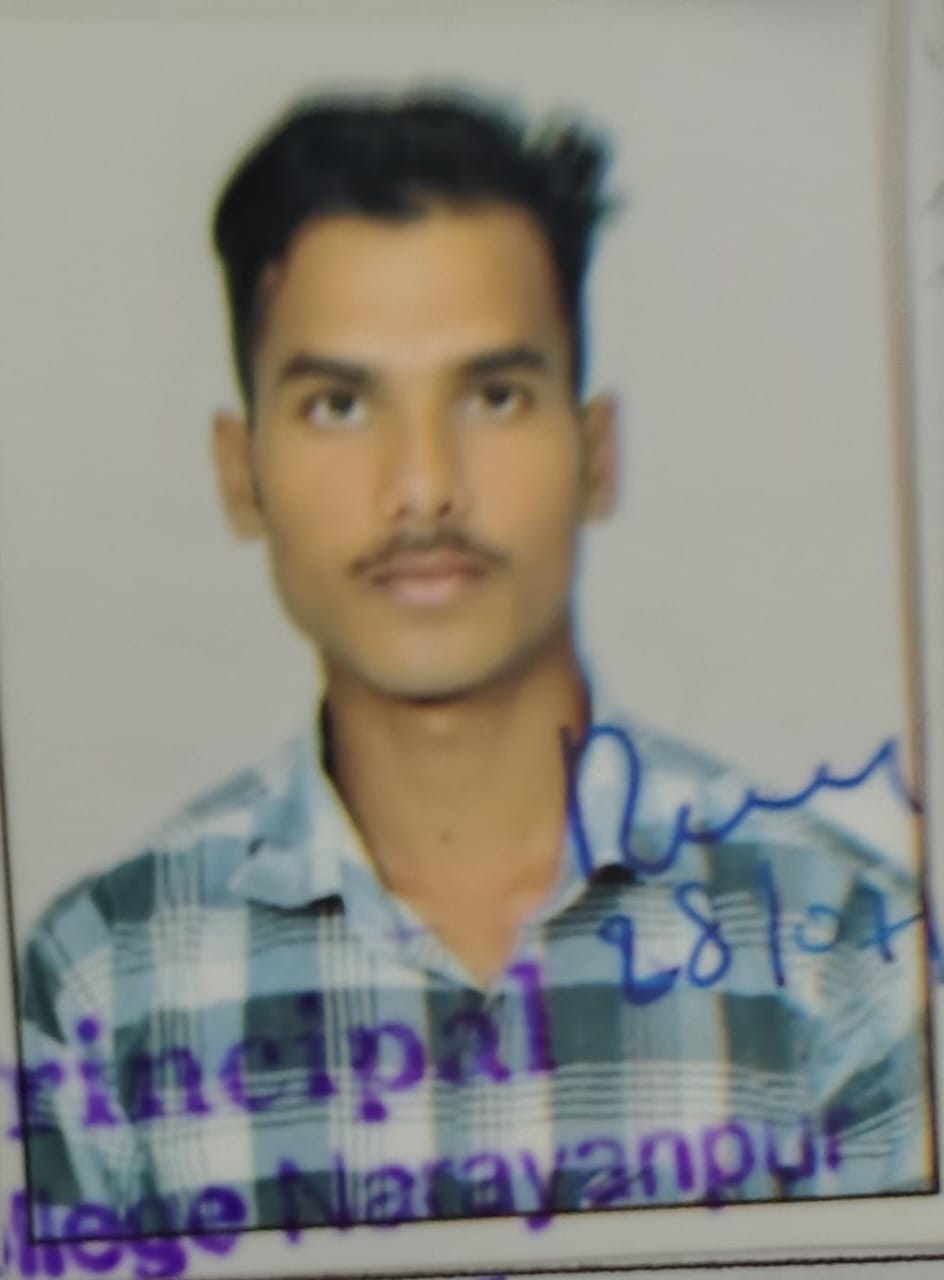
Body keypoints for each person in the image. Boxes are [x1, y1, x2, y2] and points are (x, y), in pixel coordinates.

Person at [16, 88, 933, 1241]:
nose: (423, 487)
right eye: (338, 404)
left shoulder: (847, 954)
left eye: (493, 395)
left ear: (594, 452)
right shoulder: (101, 982)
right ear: (240, 472)